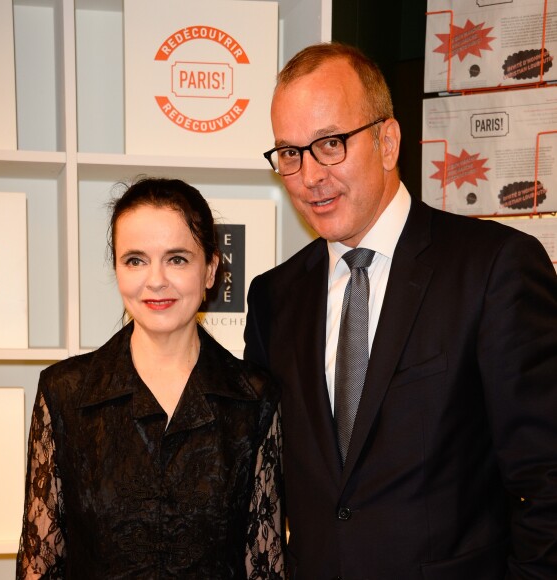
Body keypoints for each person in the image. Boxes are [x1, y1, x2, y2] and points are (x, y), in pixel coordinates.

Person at [244, 42, 557, 579]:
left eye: (330, 144)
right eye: (290, 153)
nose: (309, 176)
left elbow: (546, 479)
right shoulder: (274, 296)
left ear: (387, 141)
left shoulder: (493, 269)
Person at [17, 177, 285, 579]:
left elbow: (265, 567)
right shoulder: (64, 392)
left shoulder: (255, 398)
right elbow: (41, 565)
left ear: (210, 269)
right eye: (135, 260)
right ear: (117, 270)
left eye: (177, 259)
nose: (155, 279)